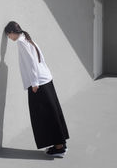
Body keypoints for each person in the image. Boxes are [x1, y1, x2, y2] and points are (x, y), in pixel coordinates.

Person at [4, 21, 70, 158]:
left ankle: (59, 148)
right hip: (45, 79)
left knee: (44, 116)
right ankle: (60, 144)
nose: (9, 38)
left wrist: (34, 83)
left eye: (8, 35)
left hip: (38, 84)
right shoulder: (28, 39)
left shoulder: (22, 42)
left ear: (12, 32)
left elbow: (31, 63)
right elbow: (40, 60)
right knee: (52, 112)